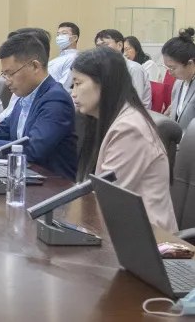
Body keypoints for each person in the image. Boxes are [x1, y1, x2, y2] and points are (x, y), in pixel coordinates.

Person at [71, 46, 177, 232]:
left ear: (104, 83)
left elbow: (106, 199)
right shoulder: (104, 120)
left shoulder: (130, 129)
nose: (73, 93)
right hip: (119, 230)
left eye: (78, 83)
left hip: (147, 238)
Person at [0, 34, 77, 180]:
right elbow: (2, 131)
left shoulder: (55, 99)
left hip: (52, 184)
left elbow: (33, 149)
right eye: (4, 74)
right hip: (24, 177)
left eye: (10, 74)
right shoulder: (26, 96)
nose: (7, 81)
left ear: (35, 66)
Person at [94, 29, 152, 110]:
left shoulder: (133, 68)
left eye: (105, 45)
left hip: (134, 113)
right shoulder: (105, 68)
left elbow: (135, 102)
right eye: (98, 47)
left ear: (120, 45)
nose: (100, 50)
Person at [163, 28, 195, 133]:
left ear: (190, 63)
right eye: (167, 68)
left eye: (172, 68)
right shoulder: (178, 83)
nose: (169, 73)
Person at [48, 22, 80, 91]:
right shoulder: (56, 60)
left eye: (64, 33)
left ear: (74, 38)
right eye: (58, 34)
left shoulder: (75, 58)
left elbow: (64, 85)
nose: (59, 37)